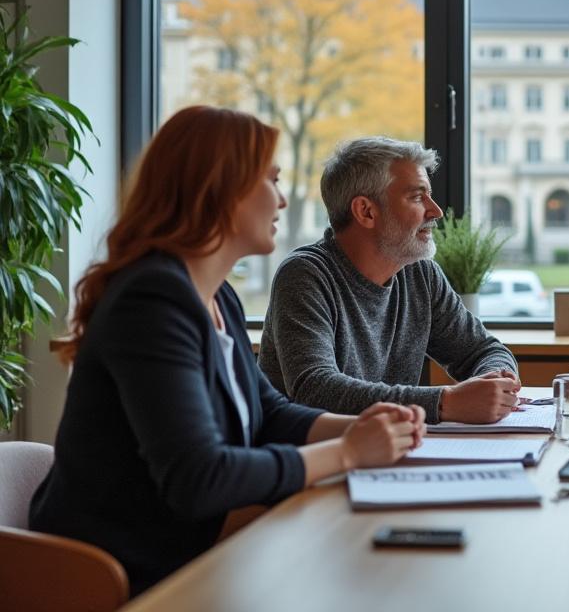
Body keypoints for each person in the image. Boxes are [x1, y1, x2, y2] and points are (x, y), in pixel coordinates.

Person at [29, 107, 424, 595]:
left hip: (189, 549)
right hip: (117, 573)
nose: (281, 200)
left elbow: (267, 411)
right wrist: (346, 452)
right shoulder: (149, 301)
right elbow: (200, 477)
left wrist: (368, 428)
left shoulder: (217, 296)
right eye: (271, 180)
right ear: (220, 189)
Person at [260, 137, 520, 424]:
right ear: (366, 212)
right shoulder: (305, 275)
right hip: (314, 458)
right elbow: (315, 388)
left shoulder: (420, 273)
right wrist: (444, 403)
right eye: (417, 197)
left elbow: (483, 350)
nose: (436, 211)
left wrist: (499, 381)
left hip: (388, 454)